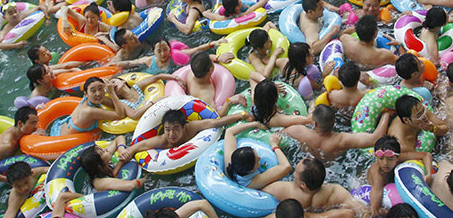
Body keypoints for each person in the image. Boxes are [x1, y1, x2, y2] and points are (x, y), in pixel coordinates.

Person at [52, 136, 143, 217]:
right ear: (100, 165)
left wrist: (121, 148)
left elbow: (118, 139)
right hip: (98, 205)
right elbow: (132, 185)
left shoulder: (104, 162)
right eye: (103, 151)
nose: (107, 149)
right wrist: (146, 176)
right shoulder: (100, 182)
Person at [118, 107, 248, 162]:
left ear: (183, 126)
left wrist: (241, 115)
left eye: (175, 128)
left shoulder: (191, 128)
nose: (171, 134)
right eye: (167, 129)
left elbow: (215, 123)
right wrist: (126, 152)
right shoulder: (163, 140)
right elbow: (140, 145)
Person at [283, 104, 390, 162]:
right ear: (334, 122)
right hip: (334, 164)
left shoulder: (299, 132)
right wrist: (386, 113)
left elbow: (279, 134)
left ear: (315, 124)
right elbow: (376, 138)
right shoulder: (342, 140)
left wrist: (311, 106)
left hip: (309, 162)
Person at [262, 157, 365, 213]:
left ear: (303, 185)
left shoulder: (285, 190)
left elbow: (257, 191)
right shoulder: (335, 192)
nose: (294, 173)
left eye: (296, 172)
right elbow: (363, 211)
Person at [366, 135, 432, 215]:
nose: (385, 163)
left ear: (397, 157)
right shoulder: (377, 173)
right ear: (376, 157)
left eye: (390, 159)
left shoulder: (400, 157)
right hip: (370, 186)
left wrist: (428, 174)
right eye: (381, 158)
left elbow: (426, 155)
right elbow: (374, 209)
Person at [60, 77, 150, 135]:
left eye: (100, 88)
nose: (98, 93)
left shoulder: (93, 99)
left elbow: (117, 105)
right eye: (93, 90)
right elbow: (120, 114)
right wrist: (112, 93)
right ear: (86, 94)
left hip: (62, 125)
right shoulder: (89, 111)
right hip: (63, 137)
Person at [0, 107, 39, 182]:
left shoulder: (17, 131)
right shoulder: (7, 145)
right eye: (32, 123)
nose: (36, 127)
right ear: (20, 124)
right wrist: (8, 180)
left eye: (36, 123)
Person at [225, 126, 291, 189]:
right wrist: (274, 145)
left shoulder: (231, 161)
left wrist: (256, 124)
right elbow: (286, 167)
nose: (260, 158)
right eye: (257, 161)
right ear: (251, 170)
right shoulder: (253, 182)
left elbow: (229, 131)